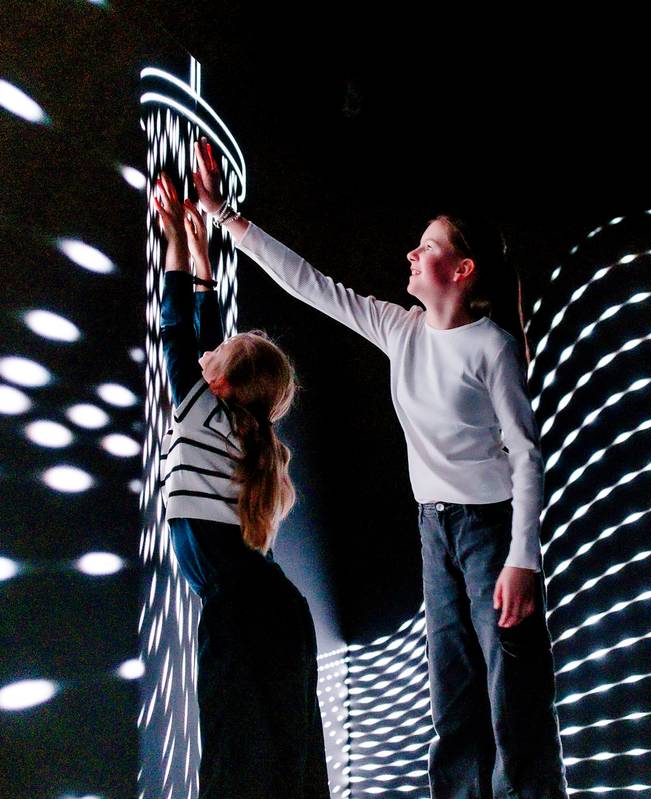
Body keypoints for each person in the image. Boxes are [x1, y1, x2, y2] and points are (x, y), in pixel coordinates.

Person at [190, 138, 568, 799]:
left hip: (491, 531)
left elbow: (527, 454)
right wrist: (224, 216)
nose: (411, 255)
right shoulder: (402, 329)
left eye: (427, 246)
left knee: (513, 700)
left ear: (462, 269)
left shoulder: (492, 349)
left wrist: (522, 559)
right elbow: (310, 284)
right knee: (452, 697)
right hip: (435, 530)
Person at [151, 172, 329, 799]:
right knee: (285, 770)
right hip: (275, 612)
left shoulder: (204, 409)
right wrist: (201, 255)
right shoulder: (236, 424)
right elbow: (201, 333)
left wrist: (175, 238)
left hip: (244, 617)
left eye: (219, 356)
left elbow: (177, 328)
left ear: (221, 383)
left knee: (238, 769)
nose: (210, 353)